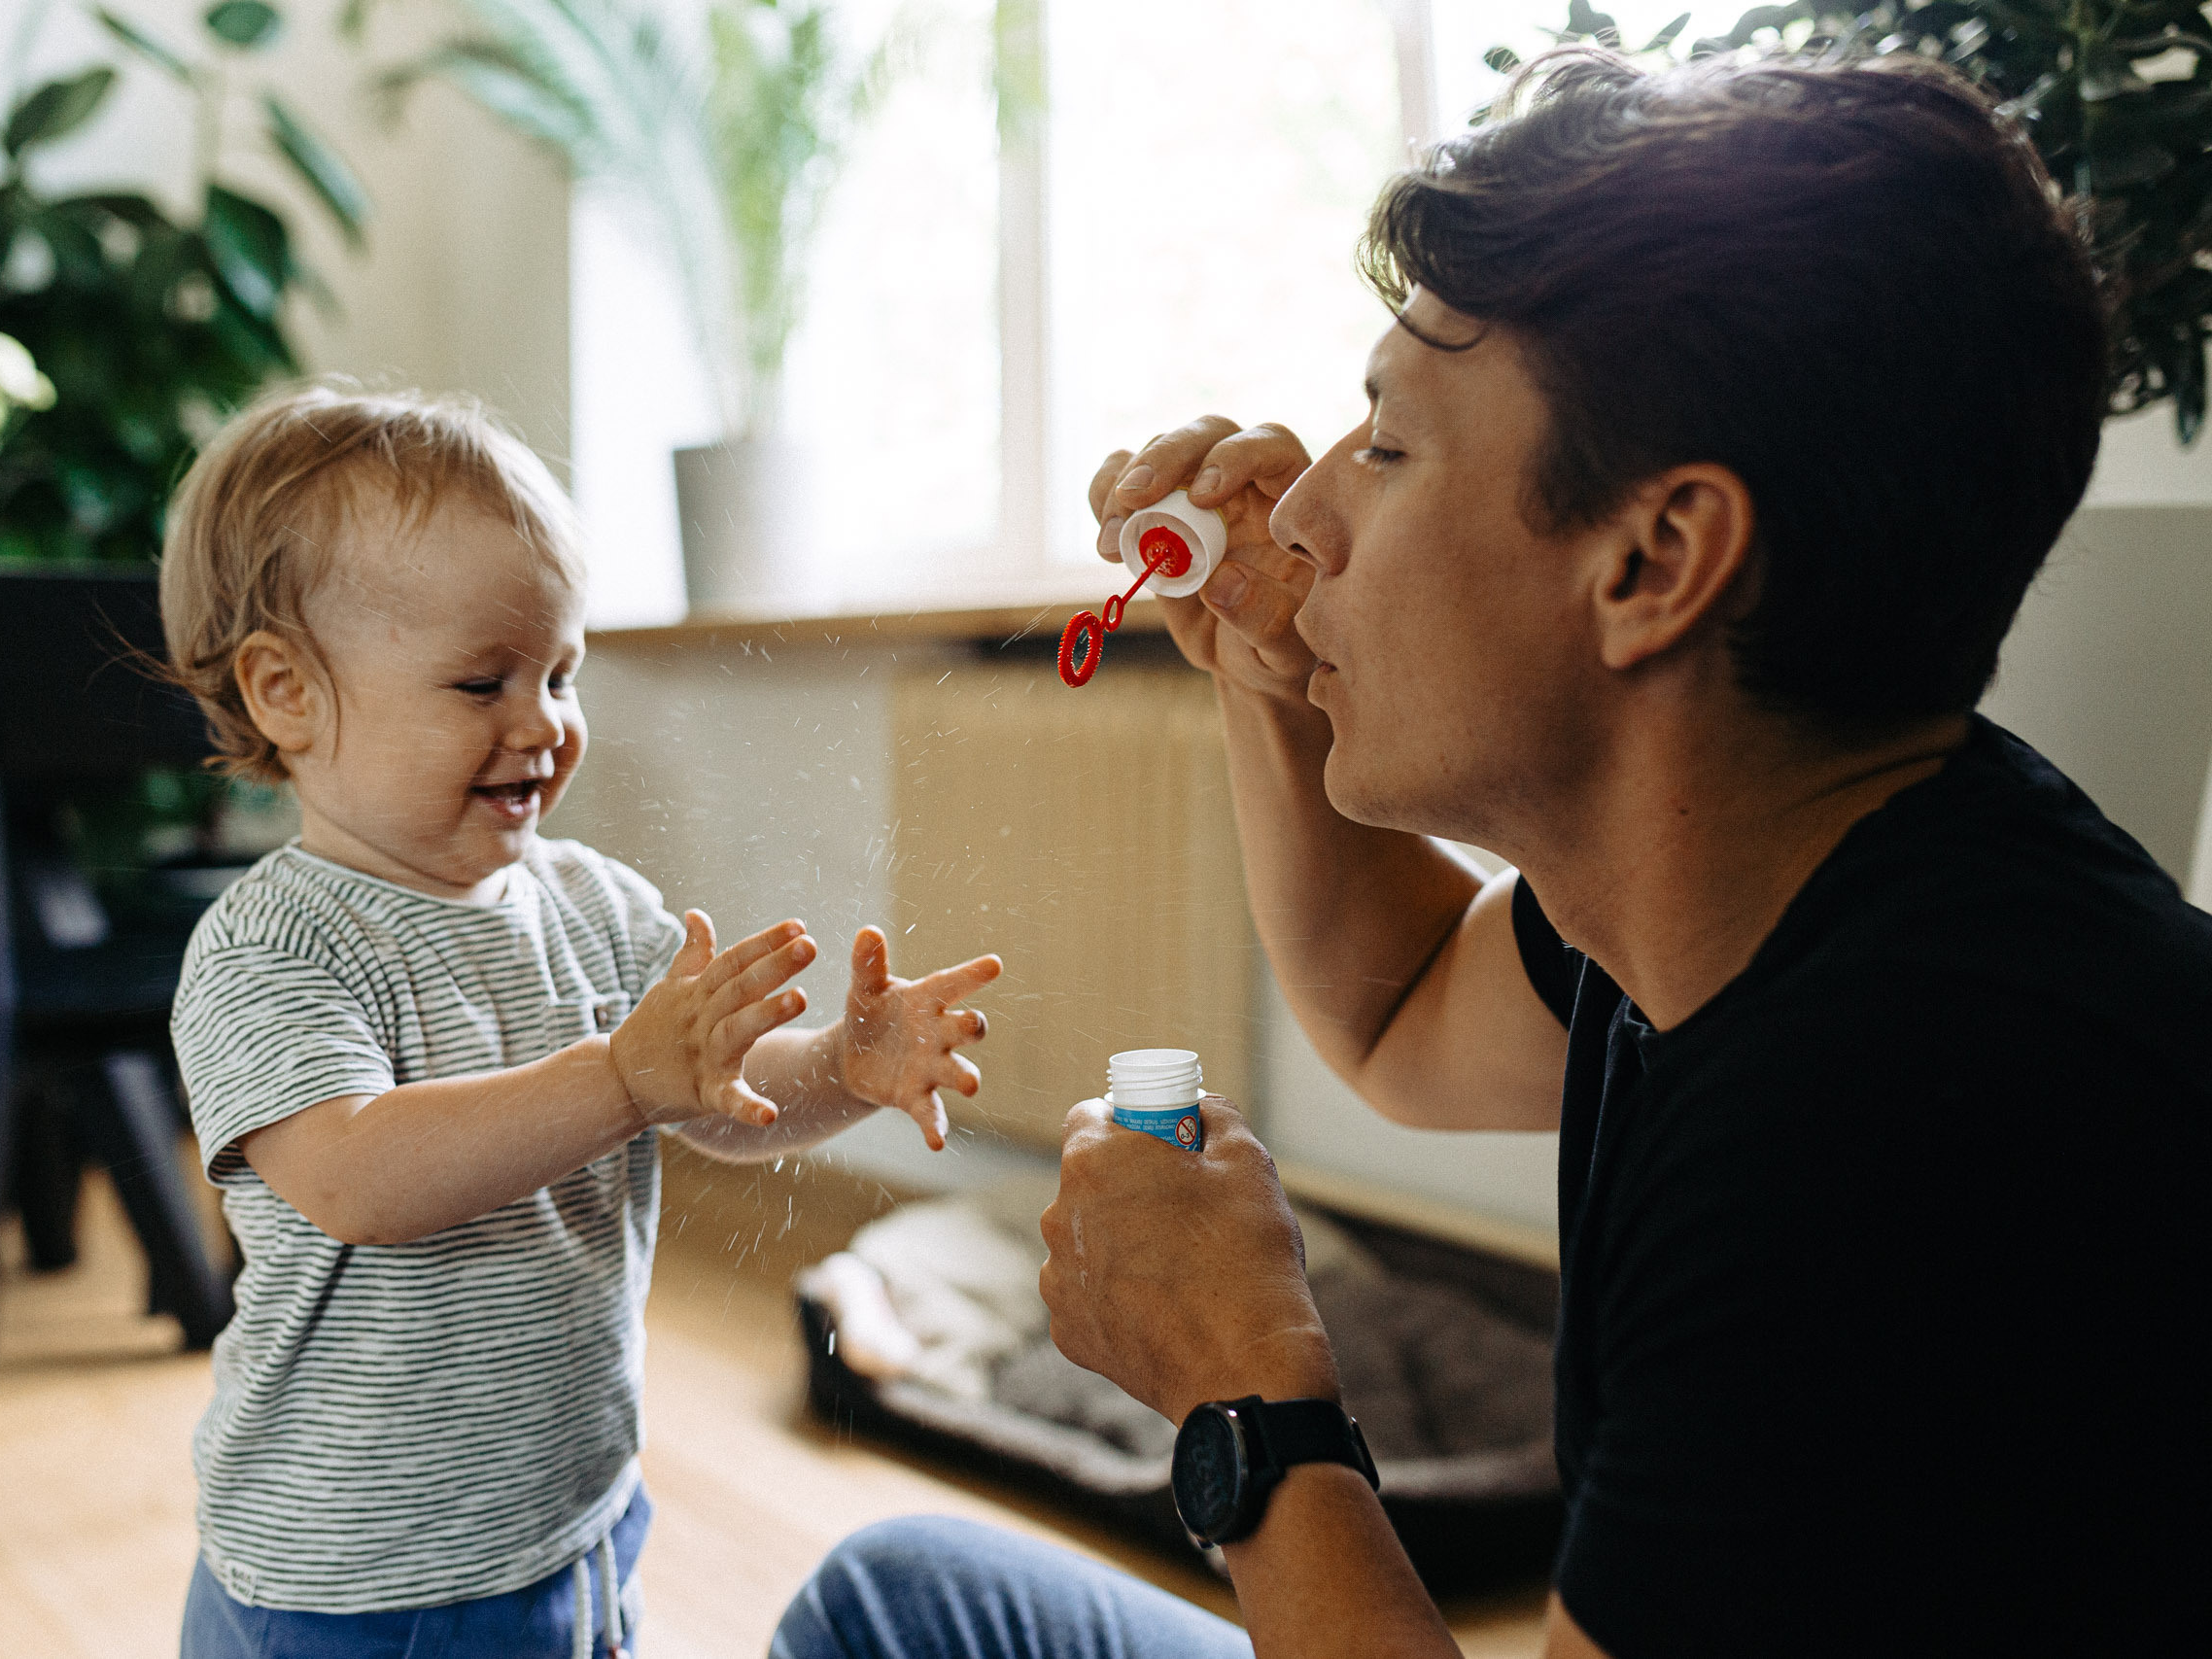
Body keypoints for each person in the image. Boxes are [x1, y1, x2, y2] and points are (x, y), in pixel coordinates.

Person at [773, 48, 2210, 1659]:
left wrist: (1247, 1399)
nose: (1306, 512)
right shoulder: (1776, 882)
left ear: (1655, 561)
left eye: (1387, 447)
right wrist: (1270, 667)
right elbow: (1388, 1012)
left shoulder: (1890, 1146)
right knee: (903, 1596)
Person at [156, 385, 1003, 1658]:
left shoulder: (591, 901)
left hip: (573, 1511)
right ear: (286, 694)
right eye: (482, 679)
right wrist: (622, 1077)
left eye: (562, 670)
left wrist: (840, 1062)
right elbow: (356, 1178)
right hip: (364, 1579)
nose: (544, 723)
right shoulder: (275, 948)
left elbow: (715, 1091)